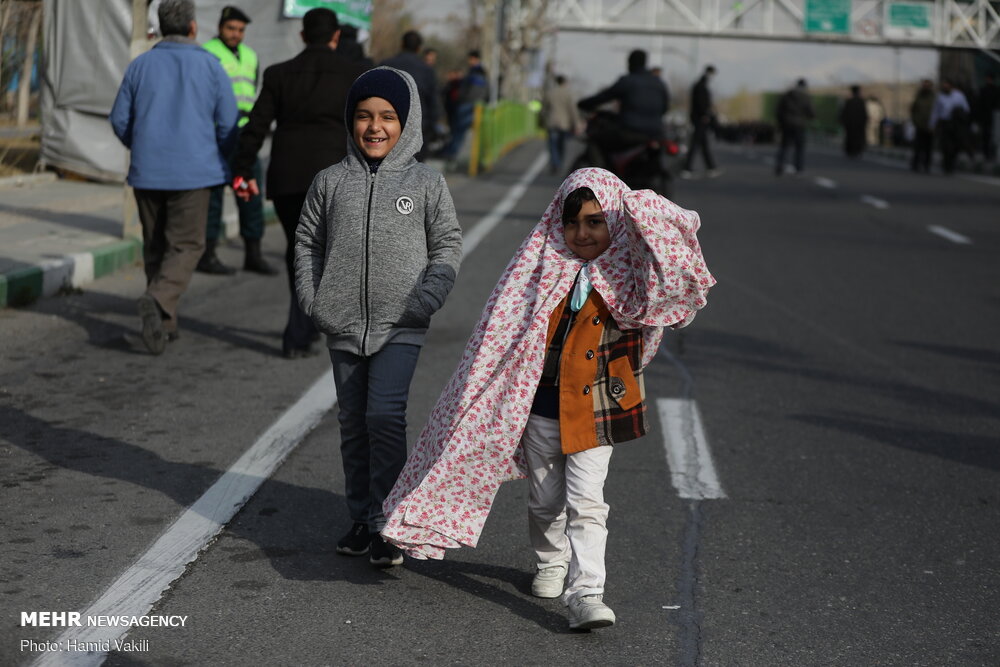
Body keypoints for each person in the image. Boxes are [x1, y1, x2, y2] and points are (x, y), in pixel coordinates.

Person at [381, 168, 714, 630]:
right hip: (539, 407)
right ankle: (552, 560)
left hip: (597, 409)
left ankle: (587, 593)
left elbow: (676, 289)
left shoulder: (633, 275)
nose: (583, 233)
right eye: (572, 222)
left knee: (587, 502)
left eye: (596, 221)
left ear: (614, 222)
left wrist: (639, 208)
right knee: (544, 500)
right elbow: (500, 333)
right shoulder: (537, 266)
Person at [295, 67, 463, 568]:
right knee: (352, 423)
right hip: (342, 323)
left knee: (384, 416)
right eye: (365, 116)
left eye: (388, 117)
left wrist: (425, 299)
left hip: (402, 325)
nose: (375, 126)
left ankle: (388, 520)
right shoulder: (330, 181)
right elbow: (308, 242)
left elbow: (447, 245)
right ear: (350, 122)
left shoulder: (427, 183)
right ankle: (362, 517)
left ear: (406, 122)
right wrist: (314, 300)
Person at [232, 8, 369, 359]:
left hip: (288, 178)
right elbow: (369, 130)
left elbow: (256, 125)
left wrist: (242, 168)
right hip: (337, 180)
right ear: (336, 36)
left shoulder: (279, 74)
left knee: (300, 251)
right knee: (329, 253)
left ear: (303, 36)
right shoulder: (355, 76)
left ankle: (302, 329)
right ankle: (301, 329)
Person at [110, 0, 238, 355]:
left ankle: (164, 324)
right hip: (194, 173)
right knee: (187, 245)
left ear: (163, 27)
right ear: (193, 28)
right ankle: (158, 300)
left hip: (147, 171)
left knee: (156, 245)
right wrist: (218, 157)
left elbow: (119, 119)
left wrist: (141, 147)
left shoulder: (140, 65)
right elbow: (229, 123)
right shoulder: (211, 66)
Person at [196, 6, 275, 277]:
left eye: (240, 30)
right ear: (220, 27)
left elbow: (251, 93)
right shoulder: (207, 52)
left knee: (249, 191)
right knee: (214, 194)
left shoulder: (251, 56)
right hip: (217, 134)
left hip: (245, 135)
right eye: (231, 28)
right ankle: (207, 253)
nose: (236, 34)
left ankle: (253, 253)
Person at [577, 49, 669, 165]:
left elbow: (605, 96)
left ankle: (599, 178)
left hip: (629, 132)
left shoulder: (628, 81)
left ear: (630, 63)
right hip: (656, 133)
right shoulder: (659, 83)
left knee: (596, 141)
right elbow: (665, 108)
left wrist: (583, 104)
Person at [381, 30, 438, 161]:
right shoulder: (427, 70)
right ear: (419, 48)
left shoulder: (386, 64)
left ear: (401, 44)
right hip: (418, 127)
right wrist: (433, 126)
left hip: (388, 127)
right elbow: (433, 101)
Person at [442, 50, 489, 163]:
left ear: (474, 59)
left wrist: (463, 100)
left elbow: (475, 92)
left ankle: (452, 154)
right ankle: (451, 153)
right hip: (470, 105)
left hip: (468, 105)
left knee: (459, 131)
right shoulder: (477, 72)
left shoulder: (477, 72)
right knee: (458, 131)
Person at [681, 65, 721, 178]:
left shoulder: (700, 84)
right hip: (700, 119)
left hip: (699, 119)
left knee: (703, 144)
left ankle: (711, 167)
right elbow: (701, 103)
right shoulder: (701, 86)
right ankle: (687, 168)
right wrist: (705, 114)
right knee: (696, 144)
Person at [773, 78, 814, 176]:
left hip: (787, 124)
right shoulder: (806, 97)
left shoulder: (787, 95)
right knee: (799, 148)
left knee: (784, 146)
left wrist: (781, 123)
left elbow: (778, 110)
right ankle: (798, 168)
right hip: (800, 125)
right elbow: (811, 113)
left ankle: (780, 165)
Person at [931, 78, 971, 175]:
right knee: (946, 146)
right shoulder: (940, 97)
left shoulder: (959, 96)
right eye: (944, 85)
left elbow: (966, 109)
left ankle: (952, 164)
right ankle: (946, 166)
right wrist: (932, 124)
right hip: (945, 123)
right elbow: (935, 112)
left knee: (955, 145)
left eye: (947, 85)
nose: (945, 87)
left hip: (956, 124)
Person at [541, 74, 579, 174]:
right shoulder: (568, 94)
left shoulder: (550, 93)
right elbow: (572, 110)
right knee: (561, 145)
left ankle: (555, 164)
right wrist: (576, 124)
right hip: (564, 124)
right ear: (564, 82)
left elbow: (544, 108)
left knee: (552, 145)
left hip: (552, 122)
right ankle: (559, 164)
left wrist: (542, 121)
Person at [909, 79, 935, 173]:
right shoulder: (919, 96)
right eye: (924, 85)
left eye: (928, 85)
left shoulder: (934, 97)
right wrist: (915, 121)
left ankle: (927, 165)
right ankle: (915, 164)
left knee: (928, 148)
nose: (926, 87)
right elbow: (913, 110)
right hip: (919, 125)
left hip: (930, 127)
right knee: (918, 147)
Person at [839, 85, 867, 158]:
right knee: (857, 138)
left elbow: (844, 113)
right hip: (858, 124)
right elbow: (864, 114)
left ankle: (851, 151)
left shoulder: (849, 101)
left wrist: (843, 121)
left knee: (850, 138)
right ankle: (857, 151)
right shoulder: (861, 101)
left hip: (850, 124)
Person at [977, 73, 998, 161]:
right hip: (985, 116)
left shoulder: (996, 90)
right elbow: (980, 103)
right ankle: (986, 154)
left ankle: (992, 154)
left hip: (994, 116)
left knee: (993, 136)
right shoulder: (983, 90)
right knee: (985, 136)